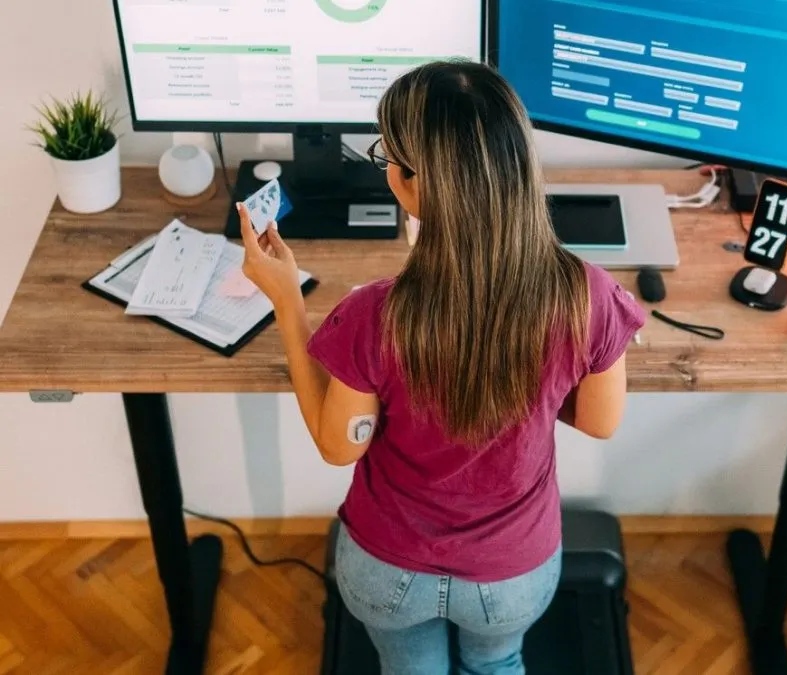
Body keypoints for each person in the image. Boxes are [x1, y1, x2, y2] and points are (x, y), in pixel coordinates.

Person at [236, 60, 645, 675]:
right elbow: (599, 421)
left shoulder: (373, 315)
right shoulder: (588, 297)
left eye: (386, 156)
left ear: (410, 184)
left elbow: (339, 447)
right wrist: (528, 380)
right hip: (513, 573)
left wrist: (288, 301)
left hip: (388, 567)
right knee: (498, 664)